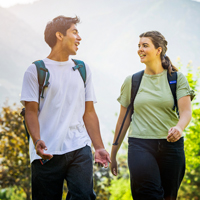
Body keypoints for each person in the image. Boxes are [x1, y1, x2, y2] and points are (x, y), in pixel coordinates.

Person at [20, 15, 111, 200]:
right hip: (47, 152)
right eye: (74, 32)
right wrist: (37, 141)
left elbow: (89, 112)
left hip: (79, 146)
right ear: (59, 35)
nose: (79, 38)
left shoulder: (82, 69)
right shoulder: (36, 70)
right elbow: (30, 112)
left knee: (84, 197)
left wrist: (99, 147)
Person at [110, 31, 192, 200]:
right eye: (139, 46)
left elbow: (186, 112)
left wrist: (179, 127)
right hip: (140, 145)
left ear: (158, 50)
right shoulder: (132, 81)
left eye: (145, 45)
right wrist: (113, 154)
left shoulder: (176, 79)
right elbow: (123, 120)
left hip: (172, 147)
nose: (140, 49)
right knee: (148, 195)